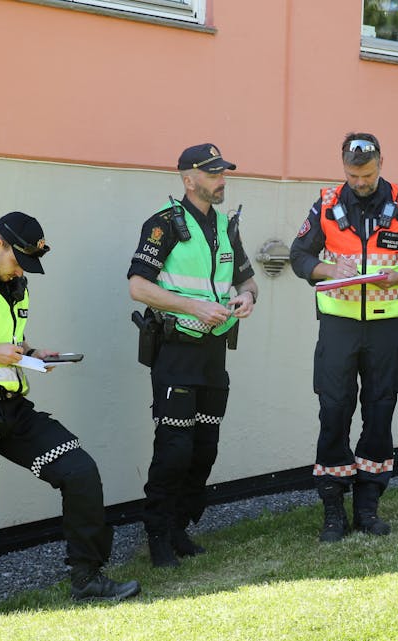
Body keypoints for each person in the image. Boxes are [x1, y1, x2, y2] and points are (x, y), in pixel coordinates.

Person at [0, 212, 141, 625]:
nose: (22, 270)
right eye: (19, 259)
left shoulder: (13, 283)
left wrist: (32, 356)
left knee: (80, 472)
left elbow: (5, 343)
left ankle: (87, 578)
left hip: (12, 408)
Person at [289, 132, 398, 542]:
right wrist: (325, 271)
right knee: (334, 413)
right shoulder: (326, 203)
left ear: (381, 164)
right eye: (353, 175)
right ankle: (333, 511)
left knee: (380, 413)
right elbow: (298, 255)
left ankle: (368, 507)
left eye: (368, 175)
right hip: (338, 326)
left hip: (386, 327)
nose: (360, 182)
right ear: (344, 168)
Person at [127, 143, 258, 568]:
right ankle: (158, 534)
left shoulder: (226, 225)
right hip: (177, 351)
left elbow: (248, 281)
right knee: (174, 450)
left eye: (223, 173)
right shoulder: (163, 225)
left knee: (205, 448)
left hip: (213, 352)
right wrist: (194, 306)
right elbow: (138, 286)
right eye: (214, 174)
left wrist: (246, 299)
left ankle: (180, 524)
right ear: (189, 180)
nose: (222, 180)